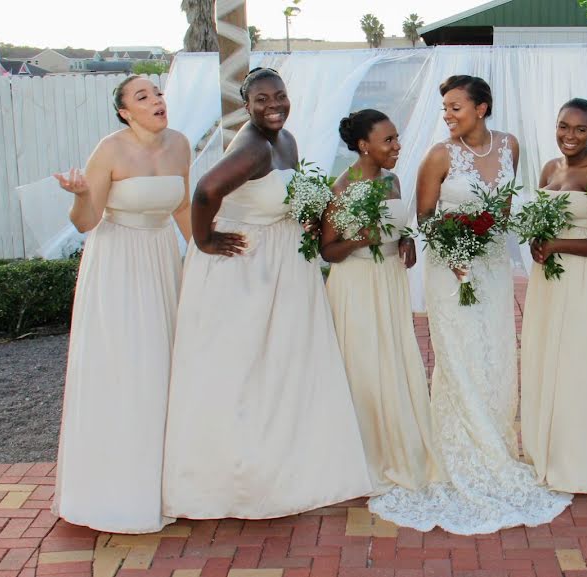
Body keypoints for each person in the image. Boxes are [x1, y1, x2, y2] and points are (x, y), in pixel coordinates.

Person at [161, 68, 371, 519]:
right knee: (241, 370)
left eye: (279, 96)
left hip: (281, 263)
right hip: (244, 269)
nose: (273, 104)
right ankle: (236, 478)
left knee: (281, 366)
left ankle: (286, 458)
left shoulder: (286, 139)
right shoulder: (253, 148)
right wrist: (203, 240)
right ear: (246, 104)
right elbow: (204, 192)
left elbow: (289, 191)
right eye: (261, 99)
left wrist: (307, 216)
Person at [368, 75, 571, 535]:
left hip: (494, 265)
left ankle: (496, 442)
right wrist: (456, 246)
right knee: (457, 355)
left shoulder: (510, 147)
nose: (448, 115)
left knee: (495, 352)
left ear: (482, 108)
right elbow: (424, 215)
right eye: (445, 108)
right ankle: (457, 449)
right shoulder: (439, 155)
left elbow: (500, 208)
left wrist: (486, 235)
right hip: (449, 266)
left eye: (455, 106)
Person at [52, 75, 191, 533]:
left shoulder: (180, 145)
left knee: (166, 366)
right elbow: (87, 221)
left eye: (158, 92)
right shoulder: (109, 150)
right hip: (117, 265)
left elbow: (183, 209)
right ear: (125, 113)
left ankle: (168, 484)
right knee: (128, 369)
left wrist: (206, 260)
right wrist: (78, 197)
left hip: (161, 259)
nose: (156, 100)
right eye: (143, 96)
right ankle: (115, 489)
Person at [321, 109, 440, 495]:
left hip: (389, 280)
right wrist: (364, 238)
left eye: (396, 138)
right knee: (365, 364)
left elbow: (399, 227)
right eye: (388, 140)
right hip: (356, 284)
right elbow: (329, 250)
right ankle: (368, 450)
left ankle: (400, 440)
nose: (397, 146)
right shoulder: (343, 188)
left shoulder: (393, 180)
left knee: (392, 359)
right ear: (363, 146)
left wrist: (405, 242)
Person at [520, 98, 587, 494]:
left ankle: (581, 459)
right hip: (549, 281)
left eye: (580, 129)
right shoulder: (549, 168)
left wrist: (557, 243)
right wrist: (536, 243)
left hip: (585, 280)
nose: (570, 136)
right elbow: (541, 222)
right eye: (564, 126)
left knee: (580, 364)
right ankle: (548, 447)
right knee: (548, 358)